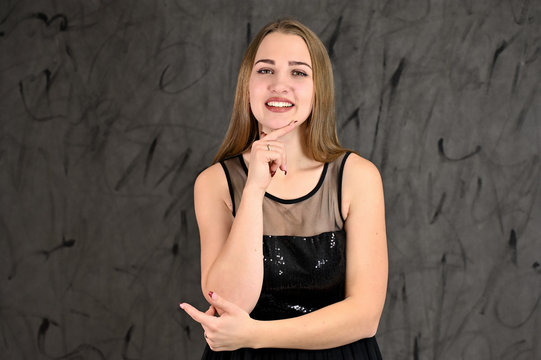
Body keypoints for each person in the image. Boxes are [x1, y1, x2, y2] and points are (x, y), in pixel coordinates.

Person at [179, 18, 388, 359]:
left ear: (318, 89)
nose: (280, 85)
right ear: (247, 86)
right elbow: (228, 301)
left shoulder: (357, 177)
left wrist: (255, 334)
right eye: (265, 71)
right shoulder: (214, 183)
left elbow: (365, 316)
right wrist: (254, 190)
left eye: (298, 72)